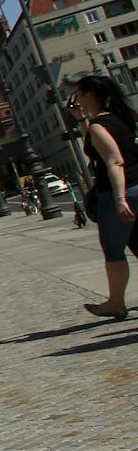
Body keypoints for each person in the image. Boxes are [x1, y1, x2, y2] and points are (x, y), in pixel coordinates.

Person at [75, 74, 138, 319]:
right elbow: (96, 151)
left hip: (118, 192)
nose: (77, 99)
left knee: (113, 250)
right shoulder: (124, 118)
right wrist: (81, 120)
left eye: (79, 95)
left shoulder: (99, 126)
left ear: (90, 96)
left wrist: (119, 198)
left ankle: (115, 303)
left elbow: (114, 161)